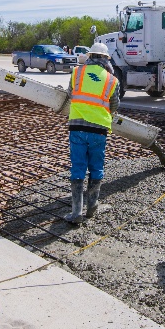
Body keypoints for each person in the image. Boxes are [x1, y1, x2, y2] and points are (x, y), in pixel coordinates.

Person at [64, 41, 120, 224]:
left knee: (78, 168)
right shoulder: (112, 80)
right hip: (99, 130)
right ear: (106, 59)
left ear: (90, 57)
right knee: (96, 168)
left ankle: (76, 213)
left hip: (77, 127)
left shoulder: (77, 72)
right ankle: (92, 207)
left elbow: (70, 94)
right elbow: (114, 105)